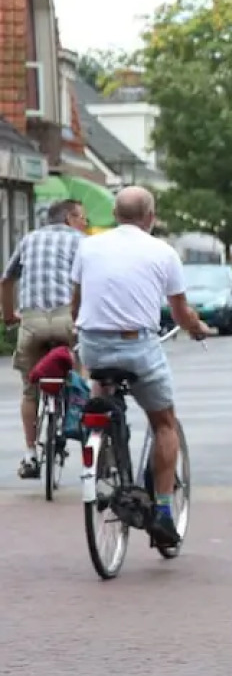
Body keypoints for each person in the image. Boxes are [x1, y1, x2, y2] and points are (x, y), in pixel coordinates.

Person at [70, 187, 210, 548]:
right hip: (137, 345)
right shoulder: (163, 251)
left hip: (94, 345)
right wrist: (196, 328)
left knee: (103, 391)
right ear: (151, 216)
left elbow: (77, 303)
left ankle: (105, 452)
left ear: (115, 215)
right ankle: (163, 511)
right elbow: (180, 312)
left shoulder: (88, 247)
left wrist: (82, 333)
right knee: (164, 423)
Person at [3, 198, 88, 478]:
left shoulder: (28, 240)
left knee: (30, 388)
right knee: (82, 366)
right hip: (68, 320)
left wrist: (8, 317)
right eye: (81, 218)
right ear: (68, 219)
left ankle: (29, 455)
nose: (84, 223)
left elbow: (6, 280)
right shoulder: (82, 242)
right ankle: (78, 412)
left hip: (33, 321)